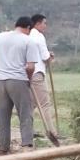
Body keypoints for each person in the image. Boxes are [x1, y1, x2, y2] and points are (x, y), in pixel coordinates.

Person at [0, 16, 37, 153]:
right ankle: (27, 146)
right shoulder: (29, 41)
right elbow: (30, 67)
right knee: (25, 113)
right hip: (18, 79)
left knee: (3, 115)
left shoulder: (1, 36)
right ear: (28, 28)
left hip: (0, 80)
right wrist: (28, 80)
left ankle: (3, 147)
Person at [27, 14, 60, 145]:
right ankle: (52, 132)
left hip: (27, 74)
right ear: (37, 24)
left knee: (31, 104)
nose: (45, 26)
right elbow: (45, 57)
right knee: (45, 104)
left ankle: (28, 131)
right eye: (44, 23)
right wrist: (50, 56)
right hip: (37, 74)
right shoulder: (39, 37)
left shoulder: (28, 35)